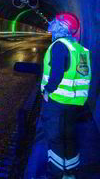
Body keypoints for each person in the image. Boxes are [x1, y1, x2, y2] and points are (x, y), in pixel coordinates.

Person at [40, 12, 91, 179]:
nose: (52, 22)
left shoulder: (59, 45)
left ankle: (54, 173)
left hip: (58, 101)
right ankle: (70, 173)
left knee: (55, 138)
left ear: (62, 27)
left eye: (55, 21)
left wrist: (47, 90)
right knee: (69, 137)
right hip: (73, 102)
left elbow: (57, 73)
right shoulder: (78, 48)